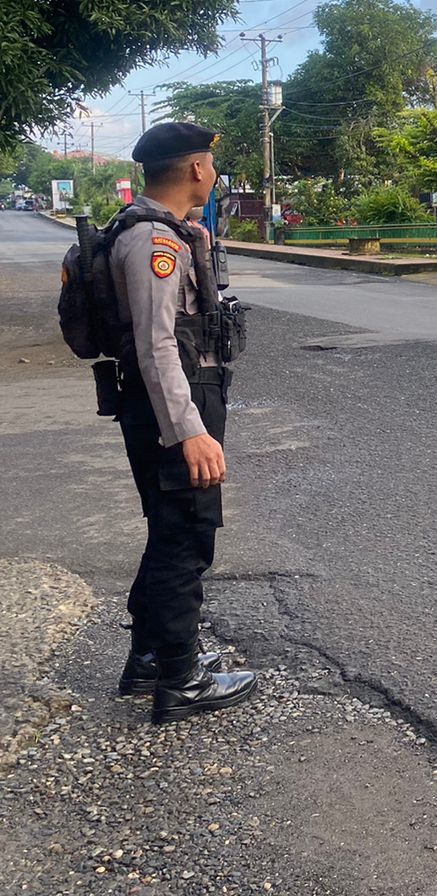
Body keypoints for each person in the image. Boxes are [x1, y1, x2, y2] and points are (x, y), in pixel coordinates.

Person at [113, 122, 257, 723]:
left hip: (173, 399)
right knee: (186, 535)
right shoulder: (154, 241)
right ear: (197, 168)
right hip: (175, 404)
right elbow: (157, 344)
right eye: (212, 164)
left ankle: (151, 656)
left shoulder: (163, 231)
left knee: (170, 528)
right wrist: (189, 429)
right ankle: (181, 678)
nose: (215, 175)